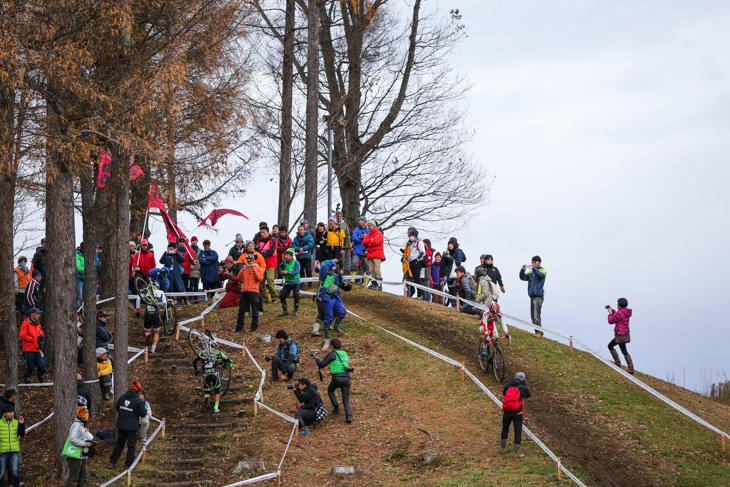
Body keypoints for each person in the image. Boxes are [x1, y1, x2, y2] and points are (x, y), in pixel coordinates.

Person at [109, 381, 147, 470]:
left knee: (119, 444)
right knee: (131, 446)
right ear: (138, 391)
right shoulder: (139, 401)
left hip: (121, 425)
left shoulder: (122, 397)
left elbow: (117, 408)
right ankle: (128, 465)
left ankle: (112, 462)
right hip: (132, 427)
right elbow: (143, 414)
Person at [314, 338, 353, 424]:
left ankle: (336, 408)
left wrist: (317, 358)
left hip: (337, 377)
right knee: (345, 399)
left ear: (332, 346)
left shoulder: (332, 354)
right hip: (347, 377)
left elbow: (322, 364)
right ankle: (348, 416)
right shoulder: (344, 353)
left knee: (330, 390)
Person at [193, 345, 232, 413]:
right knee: (217, 390)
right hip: (215, 373)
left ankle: (207, 398)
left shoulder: (202, 352)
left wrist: (196, 370)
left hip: (205, 374)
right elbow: (227, 359)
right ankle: (216, 407)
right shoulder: (218, 352)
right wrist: (231, 363)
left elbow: (194, 361)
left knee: (207, 391)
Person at [501, 372, 531, 458]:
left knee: (505, 429)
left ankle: (503, 449)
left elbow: (504, 394)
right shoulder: (523, 387)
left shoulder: (507, 385)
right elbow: (528, 395)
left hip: (506, 412)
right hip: (518, 413)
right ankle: (516, 453)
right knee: (517, 432)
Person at [62, 406, 95, 487]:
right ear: (83, 416)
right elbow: (72, 439)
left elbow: (90, 437)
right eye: (87, 415)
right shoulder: (76, 425)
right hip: (75, 455)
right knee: (73, 478)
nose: (88, 417)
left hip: (82, 455)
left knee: (83, 477)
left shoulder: (82, 426)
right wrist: (85, 444)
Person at [233, 253, 264, 333]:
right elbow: (238, 279)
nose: (249, 263)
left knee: (254, 310)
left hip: (254, 291)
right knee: (241, 311)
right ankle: (239, 327)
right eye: (248, 261)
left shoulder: (258, 268)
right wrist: (242, 270)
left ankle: (254, 327)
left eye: (250, 261)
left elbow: (260, 279)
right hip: (244, 291)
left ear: (253, 261)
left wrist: (254, 270)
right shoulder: (244, 268)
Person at [318, 260, 348, 338]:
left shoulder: (335, 275)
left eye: (333, 270)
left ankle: (336, 326)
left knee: (342, 311)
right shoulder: (323, 275)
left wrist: (341, 277)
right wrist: (330, 261)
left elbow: (340, 283)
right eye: (330, 270)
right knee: (329, 315)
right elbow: (323, 268)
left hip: (336, 297)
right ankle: (327, 333)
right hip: (327, 298)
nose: (331, 271)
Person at [519, 256, 547, 337]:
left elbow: (541, 276)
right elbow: (523, 277)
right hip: (532, 296)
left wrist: (534, 269)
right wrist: (522, 270)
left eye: (535, 262)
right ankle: (537, 332)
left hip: (538, 296)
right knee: (532, 315)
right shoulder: (531, 272)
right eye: (532, 262)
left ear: (539, 262)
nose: (533, 264)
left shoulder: (542, 270)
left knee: (536, 315)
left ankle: (539, 332)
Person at [135, 284, 167, 353]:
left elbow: (138, 298)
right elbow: (164, 304)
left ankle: (148, 335)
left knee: (147, 330)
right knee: (156, 332)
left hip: (147, 314)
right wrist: (163, 308)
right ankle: (153, 349)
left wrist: (138, 310)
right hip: (155, 314)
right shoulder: (160, 292)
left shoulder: (146, 292)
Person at [607, 298, 634, 374]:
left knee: (610, 346)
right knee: (623, 350)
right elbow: (619, 316)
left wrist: (610, 313)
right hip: (625, 333)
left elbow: (611, 321)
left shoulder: (620, 313)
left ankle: (619, 363)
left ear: (619, 305)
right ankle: (630, 368)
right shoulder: (625, 312)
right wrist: (613, 311)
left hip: (619, 334)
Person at [0, 403, 24, 487]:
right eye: (9, 412)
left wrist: (21, 424)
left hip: (14, 450)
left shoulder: (16, 422)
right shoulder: (0, 423)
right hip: (3, 451)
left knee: (14, 470)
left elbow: (22, 434)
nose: (12, 414)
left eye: (12, 412)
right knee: (2, 472)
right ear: (4, 414)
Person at [19, 308, 45, 384]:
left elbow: (41, 332)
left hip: (37, 349)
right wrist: (33, 339)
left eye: (39, 314)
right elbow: (22, 335)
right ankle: (27, 380)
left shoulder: (38, 324)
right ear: (32, 314)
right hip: (29, 349)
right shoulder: (26, 323)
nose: (38, 315)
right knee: (30, 367)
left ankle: (41, 379)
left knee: (42, 366)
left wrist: (41, 336)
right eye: (37, 314)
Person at [255, 226, 278, 303]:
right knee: (261, 281)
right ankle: (265, 298)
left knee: (269, 279)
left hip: (271, 263)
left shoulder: (272, 240)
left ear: (268, 232)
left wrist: (262, 254)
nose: (262, 234)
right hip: (261, 263)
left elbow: (271, 252)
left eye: (264, 232)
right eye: (261, 232)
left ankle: (274, 296)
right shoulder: (258, 241)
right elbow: (256, 251)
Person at [402, 229, 426, 299]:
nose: (411, 237)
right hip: (411, 263)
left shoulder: (419, 242)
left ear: (415, 236)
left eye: (413, 235)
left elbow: (422, 252)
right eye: (411, 235)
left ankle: (420, 294)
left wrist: (417, 259)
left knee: (417, 279)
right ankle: (412, 294)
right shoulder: (411, 243)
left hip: (417, 263)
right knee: (413, 279)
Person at [362, 220, 384, 290]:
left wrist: (369, 241)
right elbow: (364, 242)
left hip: (377, 255)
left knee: (377, 270)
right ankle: (374, 283)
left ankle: (379, 285)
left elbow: (376, 242)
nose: (369, 227)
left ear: (374, 226)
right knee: (371, 270)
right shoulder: (369, 235)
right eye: (368, 225)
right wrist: (371, 240)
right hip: (370, 254)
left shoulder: (379, 233)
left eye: (370, 225)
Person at [443, 238, 466, 307]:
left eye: (451, 244)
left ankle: (456, 305)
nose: (450, 246)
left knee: (455, 291)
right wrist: (445, 257)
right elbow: (446, 264)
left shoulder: (458, 251)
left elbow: (458, 262)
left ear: (455, 244)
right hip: (449, 274)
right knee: (450, 291)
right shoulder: (449, 252)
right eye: (449, 244)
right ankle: (452, 305)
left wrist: (450, 257)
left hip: (455, 274)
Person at [278, 248, 301, 316]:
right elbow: (279, 270)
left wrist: (288, 272)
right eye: (285, 255)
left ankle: (295, 311)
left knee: (296, 296)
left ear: (291, 256)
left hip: (296, 282)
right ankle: (285, 310)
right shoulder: (283, 262)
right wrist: (282, 272)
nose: (286, 256)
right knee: (282, 295)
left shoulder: (296, 262)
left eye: (288, 255)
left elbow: (297, 272)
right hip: (287, 282)